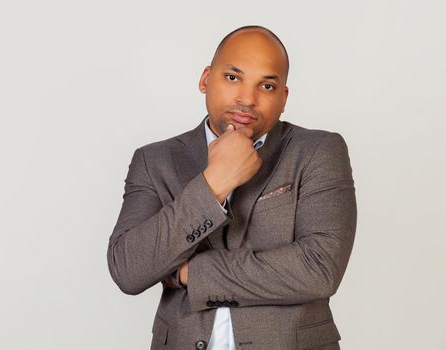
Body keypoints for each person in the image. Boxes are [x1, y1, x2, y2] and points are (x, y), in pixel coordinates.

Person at [107, 25, 357, 350]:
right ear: (205, 79)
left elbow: (319, 268)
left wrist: (189, 273)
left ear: (283, 98)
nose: (247, 99)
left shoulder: (318, 151)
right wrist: (215, 184)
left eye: (266, 85)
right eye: (233, 77)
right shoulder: (155, 161)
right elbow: (128, 269)